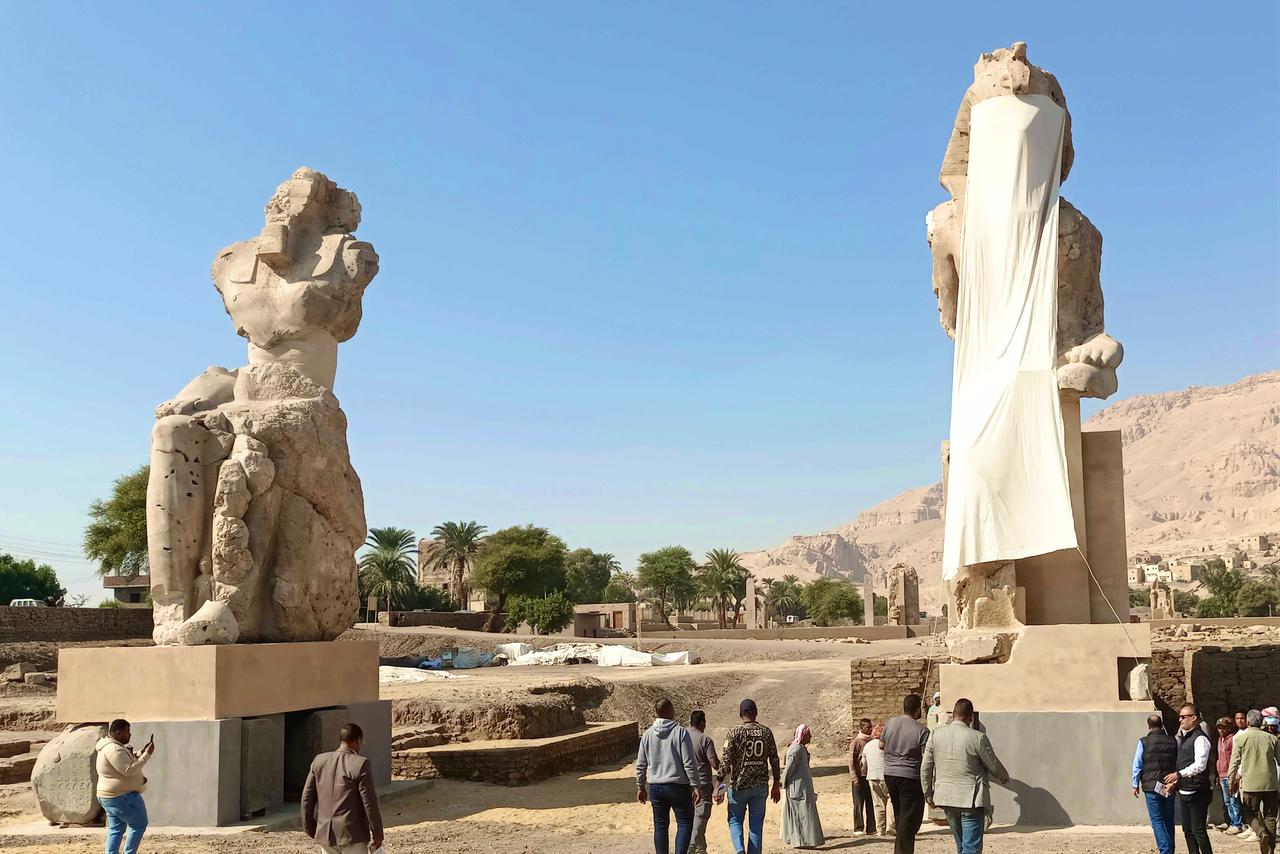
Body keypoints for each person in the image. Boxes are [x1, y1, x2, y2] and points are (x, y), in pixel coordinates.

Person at [921, 698, 1009, 854]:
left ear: (952, 715)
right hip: (971, 799)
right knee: (971, 847)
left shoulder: (935, 735)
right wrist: (1003, 776)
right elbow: (993, 764)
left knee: (961, 844)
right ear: (970, 717)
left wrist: (928, 793)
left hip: (946, 798)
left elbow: (926, 767)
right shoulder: (977, 737)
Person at [301, 722, 384, 854]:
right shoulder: (360, 764)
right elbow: (369, 803)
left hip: (326, 835)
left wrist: (310, 828)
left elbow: (307, 799)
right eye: (362, 741)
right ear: (357, 741)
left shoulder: (319, 761)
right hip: (352, 836)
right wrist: (378, 834)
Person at [636, 698, 702, 854]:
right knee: (685, 823)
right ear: (670, 711)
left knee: (660, 826)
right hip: (678, 786)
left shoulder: (647, 735)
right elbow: (688, 762)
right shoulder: (680, 732)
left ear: (656, 713)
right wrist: (696, 785)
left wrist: (640, 786)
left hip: (656, 787)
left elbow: (641, 763)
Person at [718, 698, 781, 854]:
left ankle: (739, 849)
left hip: (739, 786)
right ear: (756, 713)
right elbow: (774, 758)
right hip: (760, 787)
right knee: (756, 826)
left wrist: (717, 784)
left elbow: (725, 762)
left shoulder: (734, 732)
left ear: (741, 714)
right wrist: (776, 783)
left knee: (735, 820)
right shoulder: (766, 732)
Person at [95, 719, 155, 854]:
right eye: (127, 731)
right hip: (121, 797)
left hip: (112, 796)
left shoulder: (112, 746)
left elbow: (125, 760)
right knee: (138, 825)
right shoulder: (113, 749)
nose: (130, 734)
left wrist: (141, 752)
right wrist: (147, 755)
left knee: (116, 829)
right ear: (118, 733)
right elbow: (129, 770)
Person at [882, 694, 930, 854]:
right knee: (910, 820)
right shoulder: (922, 730)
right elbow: (926, 756)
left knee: (900, 815)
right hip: (910, 776)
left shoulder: (891, 723)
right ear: (917, 710)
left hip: (889, 774)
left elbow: (881, 744)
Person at [1164, 703, 1214, 854]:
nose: (1180, 720)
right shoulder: (1184, 738)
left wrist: (1178, 775)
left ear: (1194, 718)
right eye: (1180, 717)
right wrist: (1177, 783)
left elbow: (1200, 765)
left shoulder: (1200, 739)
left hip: (1198, 791)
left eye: (1183, 717)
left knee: (1198, 830)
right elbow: (1184, 763)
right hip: (1185, 790)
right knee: (1187, 830)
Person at [1228, 709, 1280, 854]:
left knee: (1249, 811)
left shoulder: (1240, 738)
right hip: (1270, 784)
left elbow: (1234, 762)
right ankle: (1270, 849)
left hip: (1251, 784)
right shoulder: (1272, 738)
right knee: (1270, 816)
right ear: (1261, 722)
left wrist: (1231, 781)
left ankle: (1260, 831)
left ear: (1248, 721)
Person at [1132, 712, 1178, 854]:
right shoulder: (1173, 741)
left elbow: (1137, 764)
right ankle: (1170, 849)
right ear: (1161, 725)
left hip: (1151, 786)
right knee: (1168, 818)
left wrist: (1135, 784)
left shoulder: (1143, 742)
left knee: (1157, 820)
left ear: (1149, 726)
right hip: (1168, 785)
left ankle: (1165, 851)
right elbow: (1178, 761)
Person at [781, 724, 824, 848]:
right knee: (799, 816)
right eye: (808, 734)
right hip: (797, 788)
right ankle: (800, 841)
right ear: (803, 736)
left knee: (805, 814)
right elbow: (789, 769)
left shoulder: (801, 749)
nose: (810, 737)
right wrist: (783, 782)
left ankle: (806, 841)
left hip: (802, 788)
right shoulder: (796, 749)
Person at [687, 710, 720, 854]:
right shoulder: (705, 740)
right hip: (702, 784)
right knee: (701, 817)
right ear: (702, 723)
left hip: (684, 784)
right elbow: (714, 764)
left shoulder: (682, 737)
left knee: (689, 819)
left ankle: (701, 849)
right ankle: (691, 846)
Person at [863, 722, 895, 836]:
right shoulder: (888, 744)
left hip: (872, 777)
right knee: (891, 801)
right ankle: (891, 827)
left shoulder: (867, 746)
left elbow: (864, 764)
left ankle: (880, 829)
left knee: (878, 804)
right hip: (886, 776)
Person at [1217, 716, 1246, 836]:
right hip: (1222, 774)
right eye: (1219, 728)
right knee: (1228, 801)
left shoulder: (1233, 739)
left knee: (1234, 800)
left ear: (1229, 728)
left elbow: (1236, 758)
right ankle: (1232, 822)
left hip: (1230, 775)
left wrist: (1235, 775)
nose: (1221, 730)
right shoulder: (1220, 739)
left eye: (1223, 727)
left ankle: (1237, 824)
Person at [850, 717, 875, 834]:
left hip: (869, 776)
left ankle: (871, 828)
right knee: (858, 804)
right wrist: (854, 777)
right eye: (868, 727)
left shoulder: (871, 741)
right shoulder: (856, 743)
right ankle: (858, 828)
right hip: (859, 777)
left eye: (871, 727)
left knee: (870, 803)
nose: (870, 729)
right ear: (862, 728)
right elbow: (851, 762)